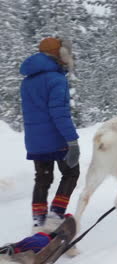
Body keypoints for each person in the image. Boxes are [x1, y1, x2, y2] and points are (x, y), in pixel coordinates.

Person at [19, 37, 80, 231]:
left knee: (43, 179)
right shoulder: (56, 79)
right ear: (59, 55)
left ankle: (38, 221)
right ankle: (55, 216)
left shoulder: (27, 81)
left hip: (35, 140)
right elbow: (59, 113)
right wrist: (72, 141)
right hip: (56, 138)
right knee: (71, 172)